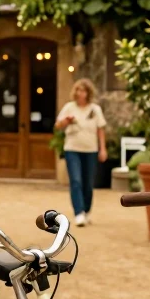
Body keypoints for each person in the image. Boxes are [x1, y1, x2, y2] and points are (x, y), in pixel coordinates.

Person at [54, 78, 107, 227]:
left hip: (90, 150)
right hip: (72, 149)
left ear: (88, 93)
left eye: (83, 90)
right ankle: (78, 213)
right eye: (77, 90)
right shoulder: (69, 107)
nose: (80, 93)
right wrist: (66, 121)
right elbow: (58, 125)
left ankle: (86, 210)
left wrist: (103, 149)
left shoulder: (95, 109)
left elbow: (100, 130)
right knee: (76, 181)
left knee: (88, 183)